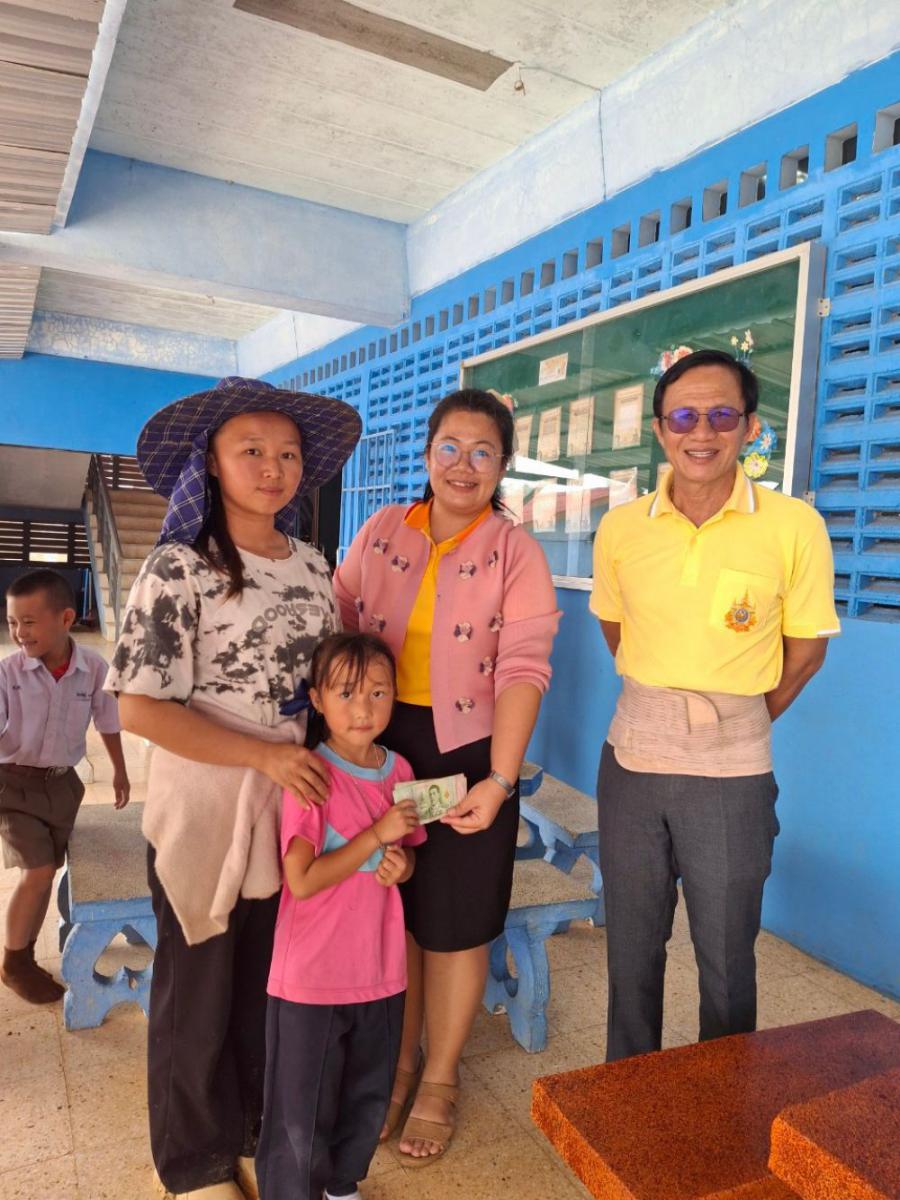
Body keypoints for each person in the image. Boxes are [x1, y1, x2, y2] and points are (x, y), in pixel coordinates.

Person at [104, 376, 361, 1200]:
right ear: (210, 462)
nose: (273, 467)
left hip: (292, 796)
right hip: (209, 804)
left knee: (265, 982)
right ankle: (192, 1165)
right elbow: (140, 706)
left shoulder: (313, 566)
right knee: (198, 989)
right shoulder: (180, 567)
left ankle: (249, 1132)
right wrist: (261, 758)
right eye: (251, 450)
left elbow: (328, 690)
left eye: (287, 454)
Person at [591, 348, 840, 1062]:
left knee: (728, 959)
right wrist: (667, 709)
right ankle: (625, 1092)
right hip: (632, 761)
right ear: (660, 431)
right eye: (684, 417)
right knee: (631, 950)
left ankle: (721, 1104)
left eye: (722, 415)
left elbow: (806, 651)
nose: (702, 433)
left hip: (733, 772)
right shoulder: (622, 528)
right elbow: (618, 631)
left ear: (750, 427)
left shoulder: (793, 525)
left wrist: (736, 721)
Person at [333, 387, 560, 1164]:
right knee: (393, 908)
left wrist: (500, 781)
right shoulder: (386, 527)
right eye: (450, 448)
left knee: (455, 920)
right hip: (381, 745)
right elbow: (341, 615)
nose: (464, 465)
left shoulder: (515, 551)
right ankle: (396, 1066)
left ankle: (439, 1076)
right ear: (428, 454)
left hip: (468, 755)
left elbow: (525, 667)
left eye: (483, 451)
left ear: (504, 464)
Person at [256, 632, 425, 1200]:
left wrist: (399, 866)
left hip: (379, 970)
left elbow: (408, 857)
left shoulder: (400, 771)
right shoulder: (312, 777)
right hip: (312, 978)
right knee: (301, 1107)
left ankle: (343, 1185)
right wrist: (376, 836)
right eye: (346, 693)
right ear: (317, 699)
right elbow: (302, 880)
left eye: (378, 692)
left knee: (367, 1094)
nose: (363, 708)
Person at [1, 568, 128, 1005]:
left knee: (46, 873)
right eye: (12, 622)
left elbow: (108, 722)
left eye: (29, 622)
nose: (19, 632)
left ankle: (25, 956)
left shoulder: (93, 669)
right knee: (37, 871)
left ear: (66, 618)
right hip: (11, 786)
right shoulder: (8, 673)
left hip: (61, 786)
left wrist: (120, 771)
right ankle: (13, 963)